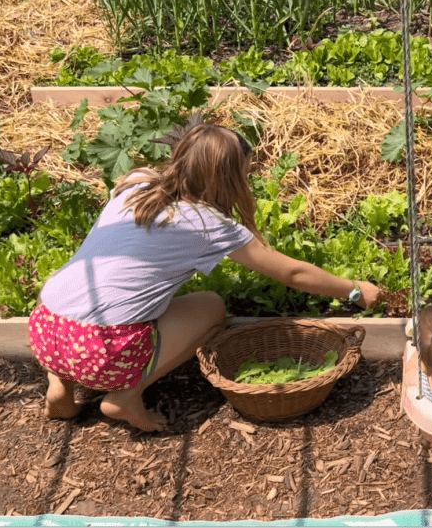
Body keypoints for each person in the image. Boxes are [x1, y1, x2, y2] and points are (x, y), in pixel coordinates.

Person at [29, 123, 383, 432]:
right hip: (101, 351)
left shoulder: (136, 182)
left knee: (82, 295)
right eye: (245, 172)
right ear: (228, 178)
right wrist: (354, 290)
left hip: (45, 330)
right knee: (211, 306)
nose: (249, 178)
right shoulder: (207, 224)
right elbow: (291, 271)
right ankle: (125, 396)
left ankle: (59, 384)